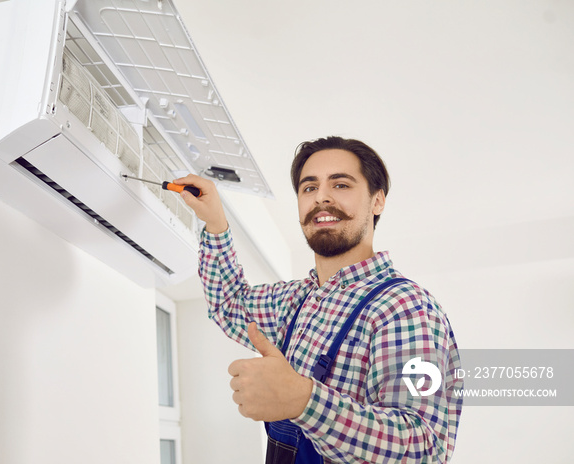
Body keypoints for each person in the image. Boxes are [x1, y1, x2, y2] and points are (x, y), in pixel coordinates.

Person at [175, 136, 462, 463]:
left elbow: (424, 449)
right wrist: (215, 222)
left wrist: (303, 401)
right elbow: (229, 304)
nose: (321, 197)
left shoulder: (404, 306)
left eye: (341, 185)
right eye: (309, 188)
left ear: (377, 201)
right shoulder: (294, 300)